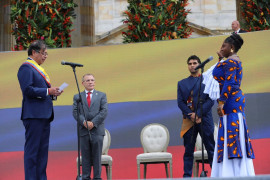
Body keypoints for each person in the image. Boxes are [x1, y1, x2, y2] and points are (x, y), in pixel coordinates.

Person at [211, 33, 255, 177]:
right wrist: (220, 59)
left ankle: (233, 172)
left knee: (231, 130)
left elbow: (229, 82)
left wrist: (222, 102)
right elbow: (222, 75)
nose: (221, 48)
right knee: (232, 130)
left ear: (232, 47)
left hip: (230, 101)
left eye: (224, 46)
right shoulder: (232, 60)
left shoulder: (231, 62)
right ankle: (232, 170)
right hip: (234, 100)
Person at [17, 40, 63, 180]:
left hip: (44, 115)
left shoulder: (38, 69)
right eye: (43, 53)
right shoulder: (26, 68)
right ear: (34, 52)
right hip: (34, 115)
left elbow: (42, 91)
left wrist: (51, 93)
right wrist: (48, 91)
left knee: (42, 152)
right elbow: (28, 90)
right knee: (32, 152)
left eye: (46, 53)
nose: (45, 56)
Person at [177, 55, 215, 177]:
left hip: (205, 119)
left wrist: (198, 113)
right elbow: (180, 102)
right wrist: (192, 115)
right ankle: (187, 176)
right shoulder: (182, 83)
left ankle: (216, 174)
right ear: (188, 66)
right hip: (189, 120)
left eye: (195, 63)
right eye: (190, 63)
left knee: (211, 149)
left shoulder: (207, 80)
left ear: (199, 64)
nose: (192, 65)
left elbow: (211, 100)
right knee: (188, 150)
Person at [73, 74, 108, 180]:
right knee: (86, 157)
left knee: (97, 157)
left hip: (97, 130)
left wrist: (93, 123)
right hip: (83, 131)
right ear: (83, 83)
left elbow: (104, 111)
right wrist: (84, 122)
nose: (90, 82)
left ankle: (97, 178)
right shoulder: (78, 96)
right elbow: (75, 112)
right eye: (87, 80)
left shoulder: (101, 95)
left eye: (92, 80)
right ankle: (86, 177)